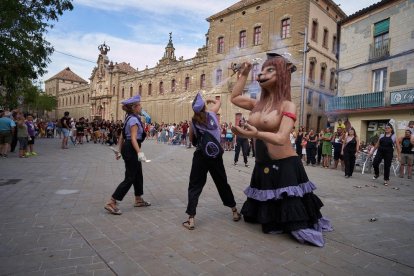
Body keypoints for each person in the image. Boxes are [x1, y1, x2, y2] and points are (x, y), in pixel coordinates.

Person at [230, 54, 331, 247]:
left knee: (293, 219)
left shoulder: (287, 105)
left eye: (270, 70)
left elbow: (281, 138)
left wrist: (255, 134)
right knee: (263, 210)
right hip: (262, 163)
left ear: (282, 76)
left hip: (285, 164)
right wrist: (244, 74)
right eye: (261, 71)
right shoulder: (257, 103)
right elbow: (234, 98)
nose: (262, 74)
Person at [183, 92, 241, 230]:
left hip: (200, 156)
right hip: (215, 156)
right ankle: (234, 211)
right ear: (204, 106)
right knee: (222, 183)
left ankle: (191, 219)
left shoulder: (194, 122)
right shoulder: (212, 115)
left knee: (195, 185)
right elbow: (218, 103)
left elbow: (191, 139)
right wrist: (209, 100)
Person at [105, 95, 150, 215]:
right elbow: (133, 139)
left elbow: (122, 136)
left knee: (137, 174)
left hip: (128, 148)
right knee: (130, 177)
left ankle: (138, 199)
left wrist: (119, 151)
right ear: (135, 107)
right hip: (132, 148)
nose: (141, 106)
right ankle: (112, 202)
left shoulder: (129, 118)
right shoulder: (134, 120)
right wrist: (139, 152)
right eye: (139, 105)